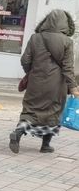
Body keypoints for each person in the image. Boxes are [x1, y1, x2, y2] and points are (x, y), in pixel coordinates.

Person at [10, 9, 79, 154]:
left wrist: (31, 72)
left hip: (36, 81)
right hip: (56, 85)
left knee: (30, 110)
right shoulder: (67, 42)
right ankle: (45, 145)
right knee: (53, 112)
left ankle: (18, 132)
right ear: (65, 24)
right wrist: (73, 87)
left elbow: (25, 60)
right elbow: (68, 68)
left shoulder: (35, 38)